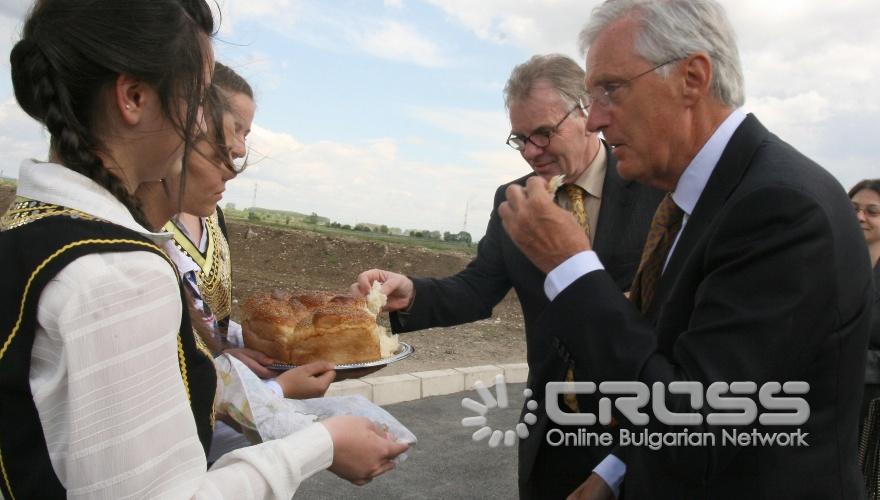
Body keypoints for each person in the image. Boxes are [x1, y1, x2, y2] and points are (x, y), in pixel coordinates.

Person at [0, 1, 405, 498]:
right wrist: (322, 443)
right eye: (196, 100)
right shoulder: (117, 273)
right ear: (133, 97)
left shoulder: (30, 231)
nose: (202, 128)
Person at [497, 1, 871, 498]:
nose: (595, 121)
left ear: (692, 78)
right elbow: (679, 368)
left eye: (611, 89)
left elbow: (693, 430)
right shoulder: (702, 200)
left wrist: (570, 265)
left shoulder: (779, 208)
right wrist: (613, 474)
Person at [352, 54, 663, 499]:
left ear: (585, 113)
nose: (532, 151)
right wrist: (411, 291)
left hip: (640, 434)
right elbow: (476, 290)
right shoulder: (515, 201)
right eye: (520, 138)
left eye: (543, 133)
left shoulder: (654, 191)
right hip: (552, 437)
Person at [850, 179, 880, 496]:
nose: (860, 217)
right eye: (854, 208)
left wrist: (849, 356)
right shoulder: (831, 263)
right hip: (831, 403)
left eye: (872, 211)